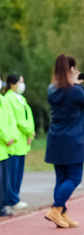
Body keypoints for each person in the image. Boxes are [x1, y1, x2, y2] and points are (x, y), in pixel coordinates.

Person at [44, 55, 84, 228]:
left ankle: (62, 213)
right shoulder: (75, 91)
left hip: (55, 139)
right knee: (74, 178)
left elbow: (66, 93)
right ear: (72, 70)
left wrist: (74, 84)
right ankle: (56, 208)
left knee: (61, 178)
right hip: (73, 140)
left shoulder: (52, 89)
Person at [4, 74, 35, 210]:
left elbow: (29, 116)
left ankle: (15, 197)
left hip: (23, 141)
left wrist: (31, 133)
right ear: (12, 84)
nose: (22, 84)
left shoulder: (21, 98)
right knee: (12, 173)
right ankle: (12, 199)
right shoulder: (9, 98)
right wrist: (29, 130)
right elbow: (18, 120)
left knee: (19, 172)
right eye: (20, 81)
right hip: (15, 140)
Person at [0, 72, 15, 217]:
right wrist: (6, 137)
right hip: (2, 142)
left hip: (4, 147)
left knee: (3, 179)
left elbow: (9, 121)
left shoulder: (2, 99)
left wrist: (10, 137)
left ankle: (2, 206)